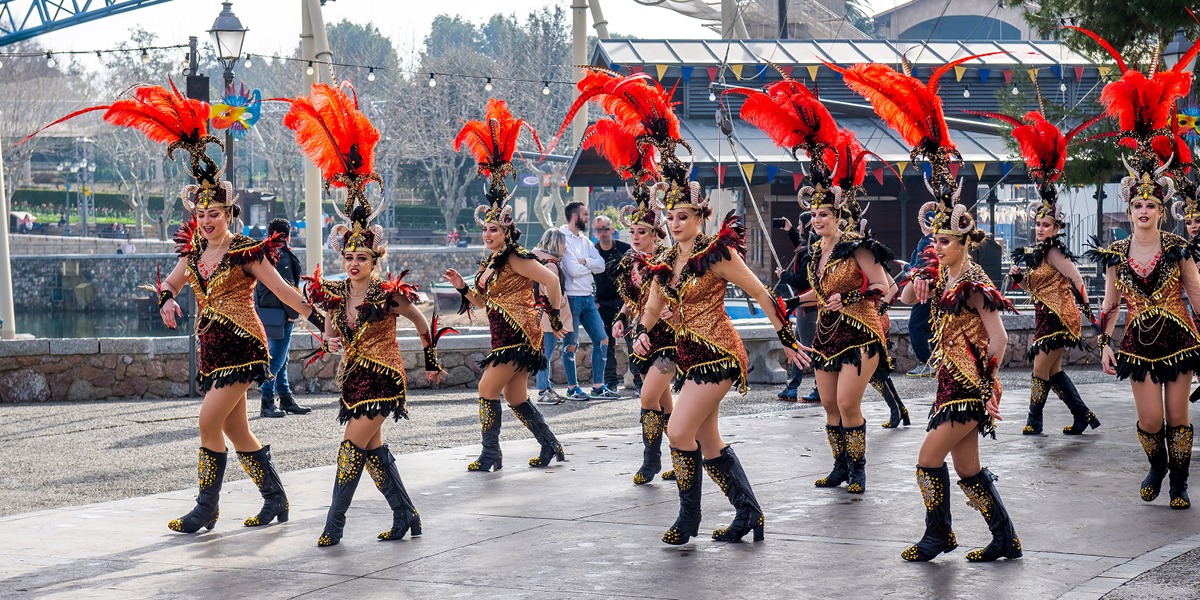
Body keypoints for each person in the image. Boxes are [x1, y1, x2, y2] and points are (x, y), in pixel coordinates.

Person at [26, 83, 330, 534]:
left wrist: (321, 321)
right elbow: (169, 283)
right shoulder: (193, 253)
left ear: (229, 213)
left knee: (207, 421)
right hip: (213, 349)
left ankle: (206, 509)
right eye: (201, 215)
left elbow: (285, 293)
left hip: (243, 346)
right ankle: (276, 498)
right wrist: (167, 299)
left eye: (214, 214)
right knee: (235, 431)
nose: (206, 220)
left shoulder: (245, 251)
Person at [559, 69, 809, 544]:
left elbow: (761, 293)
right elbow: (652, 309)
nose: (675, 223)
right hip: (689, 356)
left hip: (718, 352)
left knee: (678, 432)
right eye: (670, 217)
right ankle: (749, 513)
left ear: (700, 216)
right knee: (707, 440)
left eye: (683, 216)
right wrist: (640, 333)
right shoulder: (664, 263)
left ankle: (688, 519)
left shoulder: (717, 253)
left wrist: (788, 337)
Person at [833, 55, 1022, 562]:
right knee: (967, 467)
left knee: (927, 459)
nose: (937, 246)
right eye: (935, 240)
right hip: (949, 381)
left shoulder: (975, 281)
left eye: (945, 240)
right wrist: (911, 286)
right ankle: (1005, 538)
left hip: (968, 385)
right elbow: (900, 297)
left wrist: (988, 380)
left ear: (964, 241)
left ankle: (939, 536)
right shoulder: (939, 275)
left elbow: (1000, 336)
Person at [283, 82, 450, 546]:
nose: (354, 263)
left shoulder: (387, 295)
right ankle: (406, 515)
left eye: (362, 257)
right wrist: (329, 338)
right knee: (374, 450)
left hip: (384, 377)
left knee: (350, 448)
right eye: (349, 257)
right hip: (353, 379)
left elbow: (421, 320)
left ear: (375, 260)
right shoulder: (336, 292)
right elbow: (330, 329)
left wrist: (431, 359)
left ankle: (333, 525)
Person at [1083, 31, 1200, 510]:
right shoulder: (1116, 252)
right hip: (1136, 341)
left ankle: (1179, 483)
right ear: (1130, 210)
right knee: (1151, 421)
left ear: (1161, 209)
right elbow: (1110, 302)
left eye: (1152, 204)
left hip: (1180, 337)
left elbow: (1197, 294)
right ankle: (1156, 464)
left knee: (1178, 417)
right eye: (1138, 205)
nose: (1145, 210)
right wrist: (1104, 344)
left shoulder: (1178, 248)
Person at [444, 98, 568, 472]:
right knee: (515, 396)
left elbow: (551, 279)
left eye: (494, 229)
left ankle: (491, 454)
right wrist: (462, 287)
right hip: (503, 333)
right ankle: (551, 446)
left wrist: (553, 316)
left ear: (507, 232)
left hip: (519, 333)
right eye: (485, 229)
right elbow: (482, 303)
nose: (487, 234)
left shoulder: (514, 257)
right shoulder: (491, 262)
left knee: (487, 389)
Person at [985, 109, 1101, 436]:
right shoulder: (1038, 253)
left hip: (1059, 317)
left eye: (1045, 224)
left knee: (1039, 369)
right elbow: (1035, 287)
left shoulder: (1054, 251)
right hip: (1045, 315)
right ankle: (1082, 415)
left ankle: (1034, 420)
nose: (1039, 229)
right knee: (1052, 372)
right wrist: (1019, 279)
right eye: (1037, 223)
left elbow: (1076, 277)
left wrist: (1087, 310)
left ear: (1056, 227)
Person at [558, 201, 619, 400]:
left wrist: (584, 262)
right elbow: (573, 271)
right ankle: (572, 388)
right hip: (571, 297)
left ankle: (598, 387)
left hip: (587, 297)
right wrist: (589, 267)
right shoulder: (561, 237)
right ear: (575, 216)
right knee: (570, 344)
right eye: (585, 214)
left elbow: (601, 265)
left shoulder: (585, 241)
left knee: (602, 339)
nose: (588, 217)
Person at [254, 218, 312, 418]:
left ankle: (286, 398)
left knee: (282, 358)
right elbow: (286, 290)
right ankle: (267, 401)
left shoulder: (264, 253)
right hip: (282, 314)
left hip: (267, 313)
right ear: (287, 235)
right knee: (277, 361)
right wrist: (293, 314)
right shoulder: (281, 256)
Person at [774, 212, 821, 403]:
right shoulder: (811, 247)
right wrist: (790, 230)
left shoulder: (811, 251)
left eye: (800, 225)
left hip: (808, 307)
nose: (798, 228)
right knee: (798, 347)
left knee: (810, 349)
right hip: (804, 307)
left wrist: (784, 276)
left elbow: (803, 279)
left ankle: (820, 388)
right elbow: (802, 245)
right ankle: (792, 387)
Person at [531, 228, 574, 405]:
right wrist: (561, 302)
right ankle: (543, 391)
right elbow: (550, 293)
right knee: (545, 355)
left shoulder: (537, 261)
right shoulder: (550, 265)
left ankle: (546, 389)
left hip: (541, 315)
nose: (565, 248)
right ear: (557, 244)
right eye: (564, 244)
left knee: (544, 354)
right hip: (548, 317)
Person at [593, 214, 634, 393]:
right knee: (606, 343)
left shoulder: (625, 249)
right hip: (602, 304)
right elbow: (584, 276)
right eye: (598, 229)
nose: (602, 233)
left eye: (605, 228)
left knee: (631, 340)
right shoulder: (592, 251)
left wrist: (630, 300)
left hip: (623, 302)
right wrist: (594, 301)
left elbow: (634, 275)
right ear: (595, 233)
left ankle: (638, 380)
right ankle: (610, 382)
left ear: (612, 230)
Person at [906, 230, 935, 377]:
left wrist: (909, 269)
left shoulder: (928, 240)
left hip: (928, 290)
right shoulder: (927, 239)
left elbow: (919, 266)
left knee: (916, 325)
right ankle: (934, 362)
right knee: (932, 325)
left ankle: (926, 362)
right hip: (931, 287)